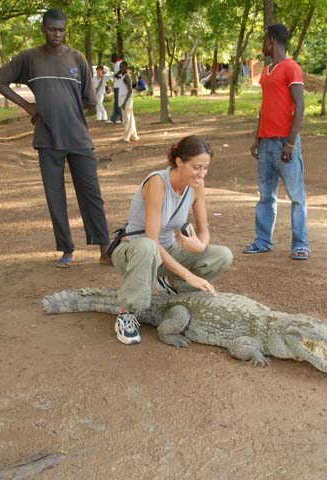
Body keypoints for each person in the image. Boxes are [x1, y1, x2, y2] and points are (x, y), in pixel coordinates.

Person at [0, 9, 112, 268]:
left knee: (92, 194)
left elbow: (90, 102)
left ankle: (104, 248)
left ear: (66, 30)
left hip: (78, 138)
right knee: (55, 198)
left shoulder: (77, 59)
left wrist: (68, 110)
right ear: (43, 29)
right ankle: (66, 250)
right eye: (52, 29)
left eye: (61, 29)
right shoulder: (30, 59)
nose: (57, 34)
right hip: (47, 139)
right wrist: (28, 107)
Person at [111, 136, 233, 345]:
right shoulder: (157, 182)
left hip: (167, 252)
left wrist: (200, 245)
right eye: (196, 167)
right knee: (148, 246)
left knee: (222, 255)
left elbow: (204, 232)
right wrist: (189, 275)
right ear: (179, 162)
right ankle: (126, 314)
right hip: (135, 252)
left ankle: (170, 286)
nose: (202, 174)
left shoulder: (197, 186)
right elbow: (152, 240)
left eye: (205, 168)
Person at [243, 23, 309, 261]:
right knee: (266, 195)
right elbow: (266, 106)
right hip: (266, 142)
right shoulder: (267, 71)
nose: (262, 45)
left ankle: (301, 244)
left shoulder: (292, 68)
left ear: (272, 40)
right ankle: (262, 241)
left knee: (297, 196)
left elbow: (300, 105)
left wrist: (291, 143)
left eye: (264, 40)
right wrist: (257, 136)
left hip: (284, 142)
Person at [117, 61, 139, 143]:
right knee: (130, 119)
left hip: (127, 101)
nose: (121, 68)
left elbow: (130, 90)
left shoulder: (127, 77)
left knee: (127, 119)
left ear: (126, 67)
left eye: (123, 67)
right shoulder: (122, 76)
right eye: (120, 67)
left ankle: (126, 137)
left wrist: (124, 102)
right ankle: (134, 136)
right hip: (123, 100)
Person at [109, 53, 123, 124]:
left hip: (118, 86)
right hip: (117, 85)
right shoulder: (118, 63)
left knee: (118, 102)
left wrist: (115, 75)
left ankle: (122, 117)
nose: (111, 60)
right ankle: (113, 118)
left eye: (111, 58)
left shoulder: (118, 64)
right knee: (116, 102)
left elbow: (119, 74)